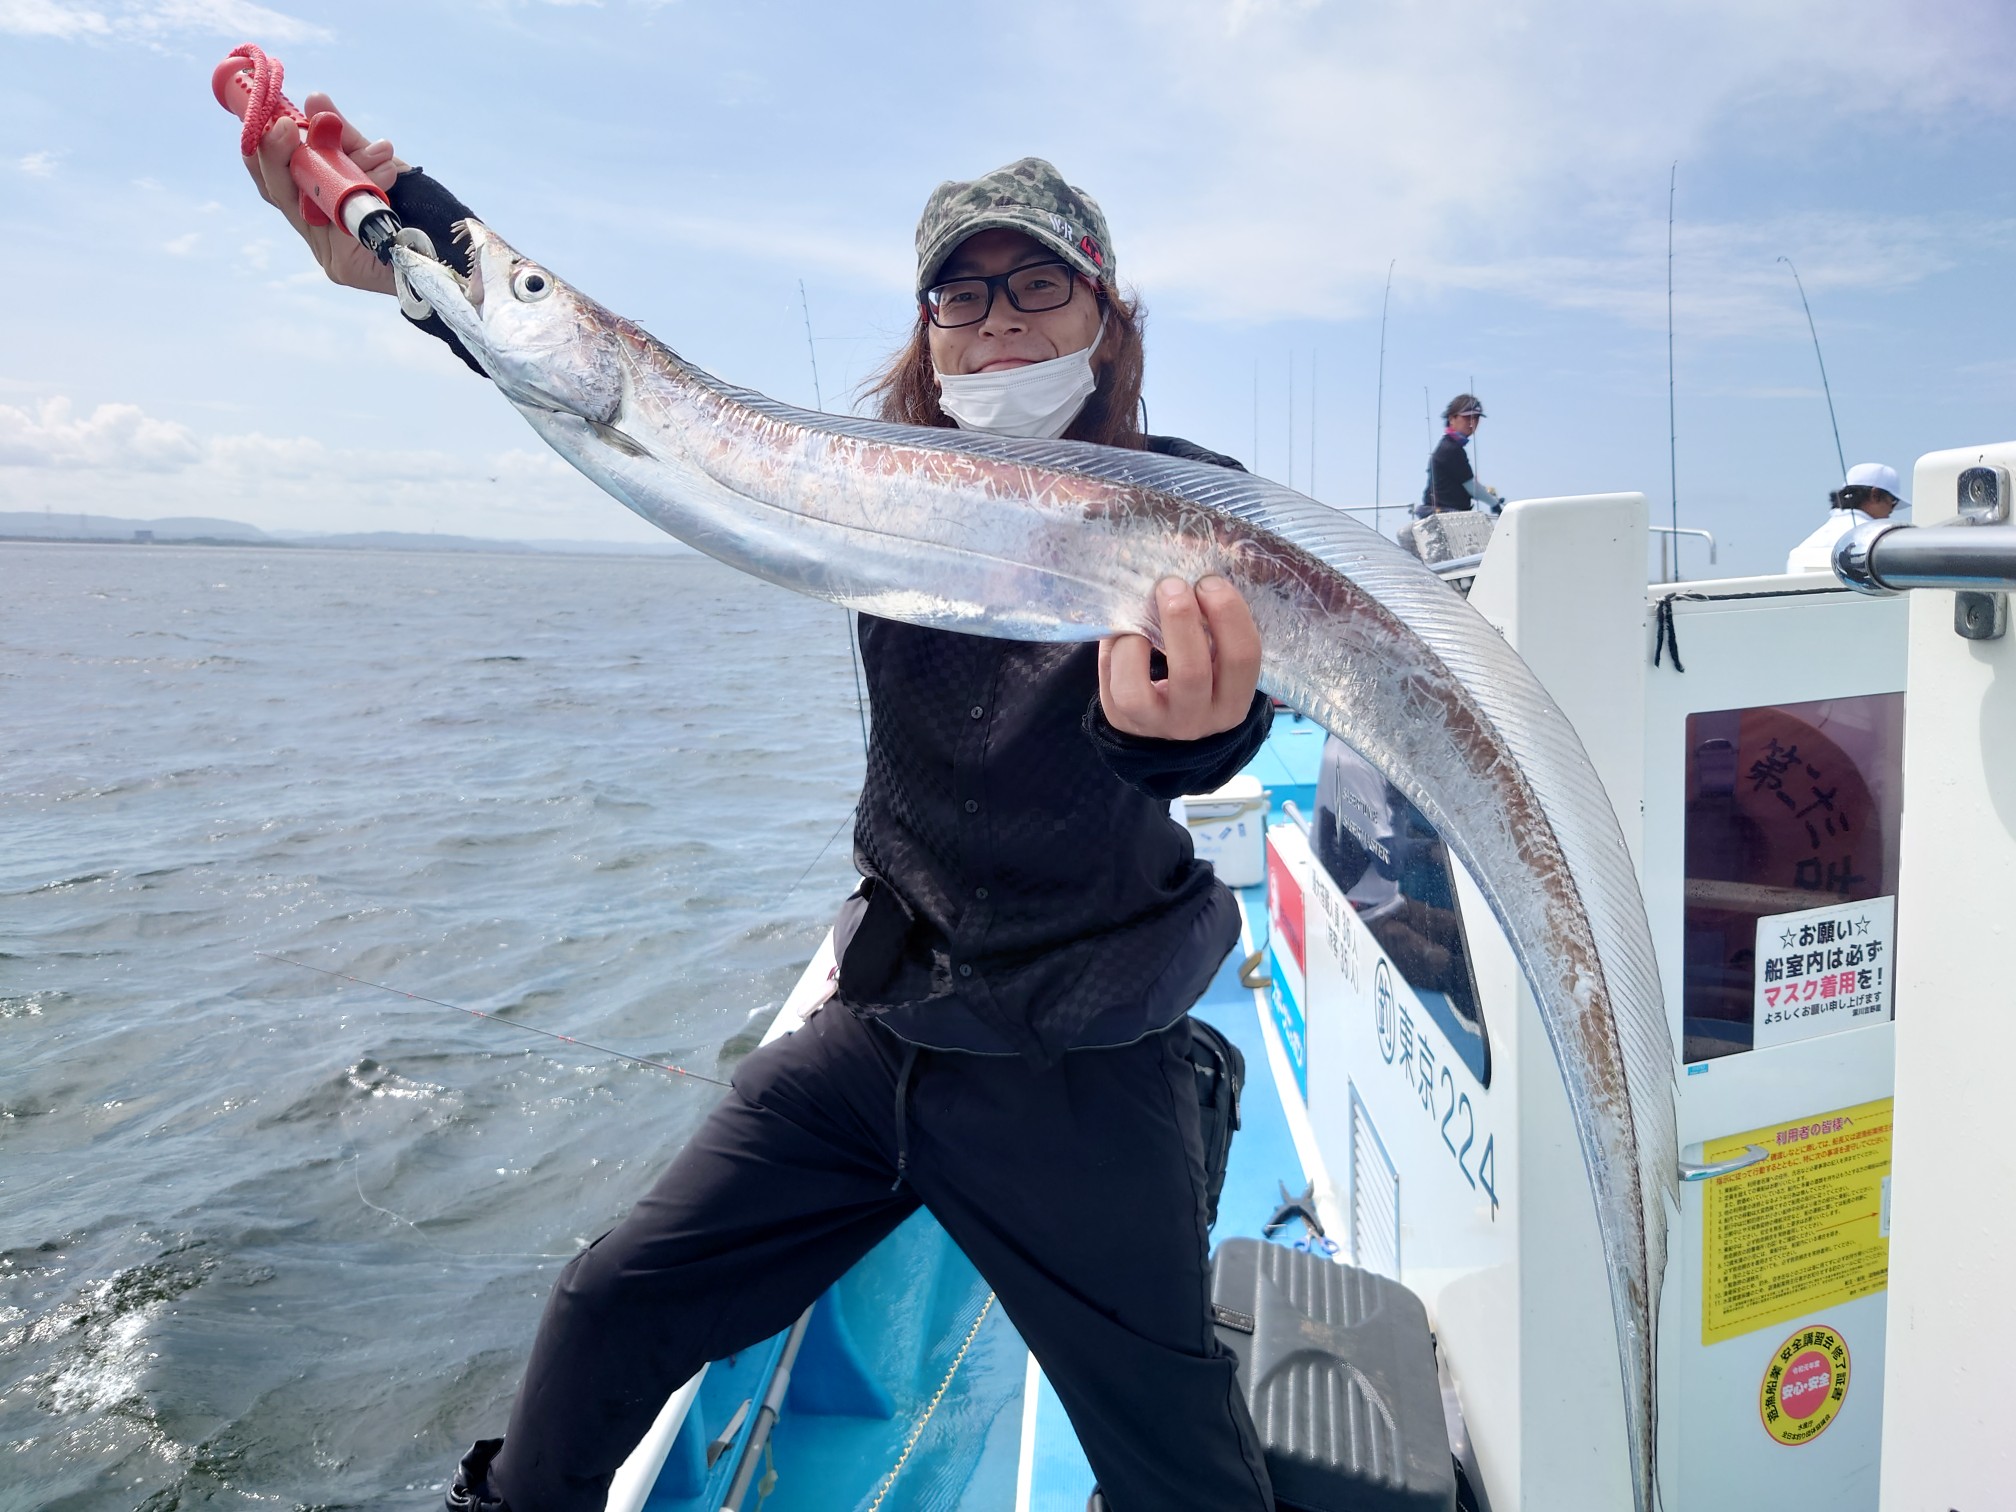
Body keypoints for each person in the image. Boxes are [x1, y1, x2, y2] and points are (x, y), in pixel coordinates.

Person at [244, 109, 1278, 1512]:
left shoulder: (1187, 509)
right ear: (930, 332)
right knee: (609, 1306)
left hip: (1078, 1059)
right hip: (882, 1025)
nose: (1001, 325)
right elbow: (633, 407)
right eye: (962, 295)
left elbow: (1190, 736)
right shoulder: (875, 490)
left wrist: (1186, 732)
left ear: (1105, 308)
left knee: (1177, 1455)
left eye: (1038, 284)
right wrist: (419, 254)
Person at [1786, 461, 1908, 573]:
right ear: (1875, 495)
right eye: (1893, 502)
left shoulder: (1808, 544)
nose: (1891, 510)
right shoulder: (1881, 538)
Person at [1416, 393, 1503, 518]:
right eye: (1468, 418)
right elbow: (1471, 487)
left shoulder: (1450, 446)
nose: (1472, 423)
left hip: (1444, 514)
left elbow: (1466, 482)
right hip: (1446, 516)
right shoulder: (1451, 449)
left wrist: (1485, 491)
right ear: (1452, 419)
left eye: (1476, 418)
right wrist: (1494, 503)